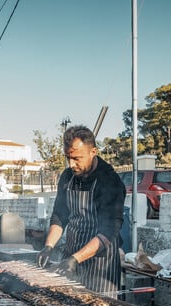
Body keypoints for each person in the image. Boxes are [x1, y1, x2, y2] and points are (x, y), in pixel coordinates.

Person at [36, 125, 126, 295]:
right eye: (68, 158)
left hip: (101, 265)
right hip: (70, 255)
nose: (71, 164)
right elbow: (59, 216)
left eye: (77, 158)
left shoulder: (109, 180)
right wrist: (48, 246)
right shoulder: (67, 176)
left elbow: (109, 231)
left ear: (93, 152)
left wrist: (76, 259)